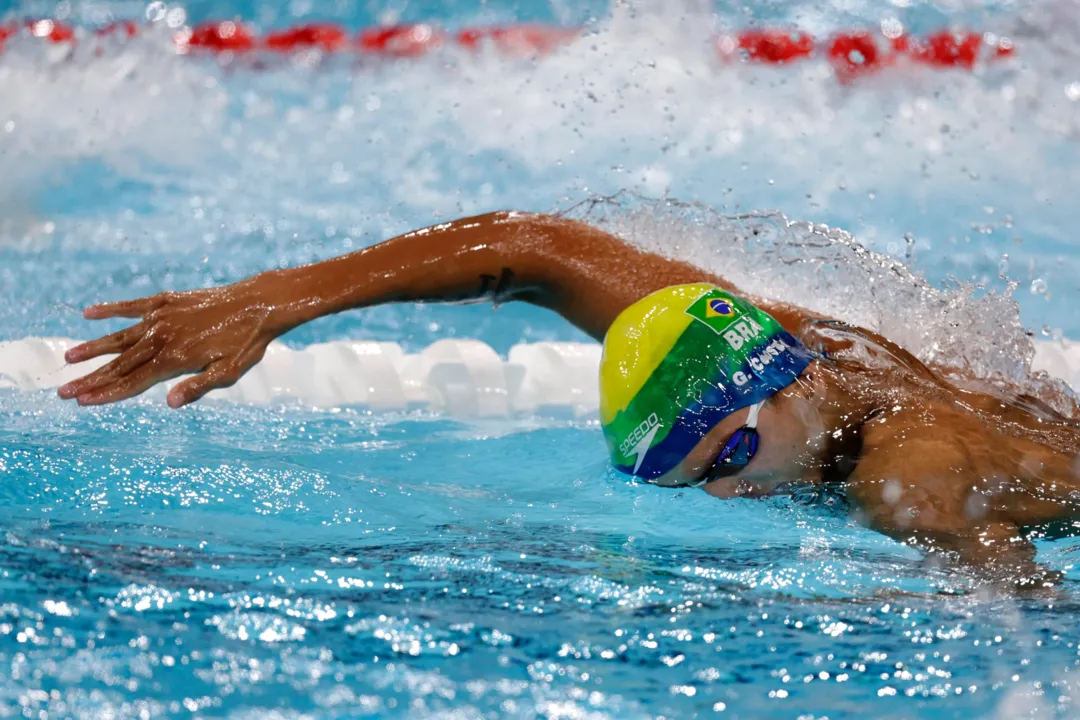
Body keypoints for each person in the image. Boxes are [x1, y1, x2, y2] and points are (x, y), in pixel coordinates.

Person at [57, 210, 1080, 590]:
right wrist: (267, 300)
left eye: (725, 461)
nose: (726, 497)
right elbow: (527, 251)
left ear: (791, 380)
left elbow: (1008, 585)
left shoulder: (898, 468)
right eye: (691, 483)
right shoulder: (765, 343)